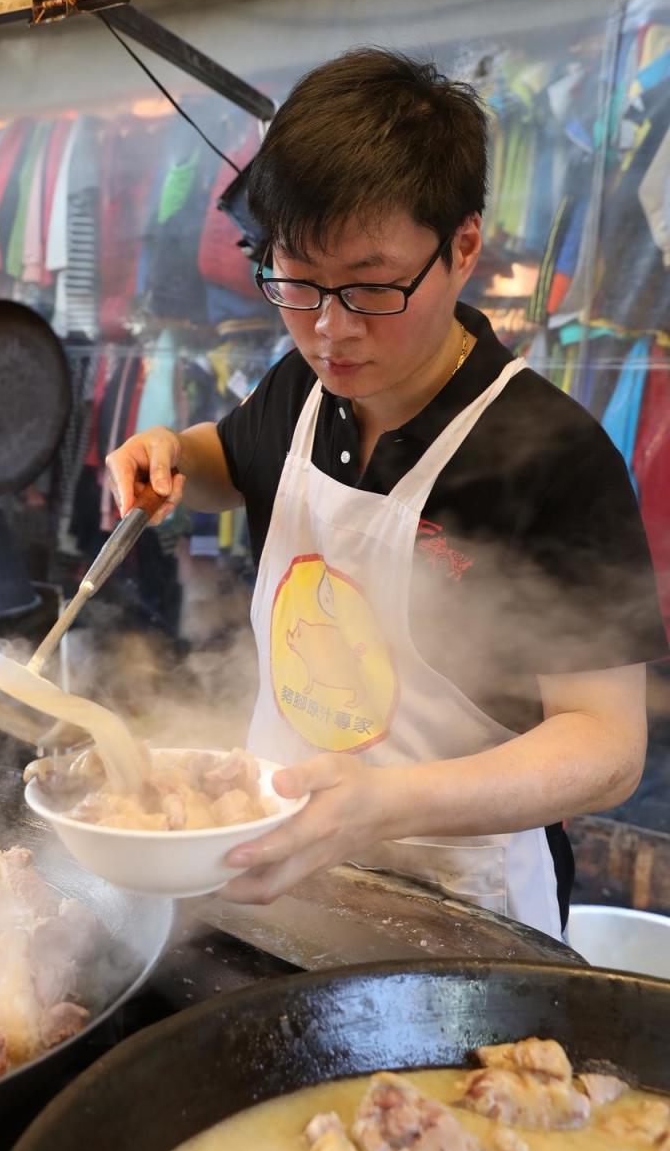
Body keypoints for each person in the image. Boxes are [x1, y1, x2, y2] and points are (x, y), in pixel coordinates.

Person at [107, 48, 667, 939]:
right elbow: (228, 460)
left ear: (463, 249)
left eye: (372, 285)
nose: (330, 329)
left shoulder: (551, 454)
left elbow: (605, 748)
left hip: (463, 909)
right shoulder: (302, 385)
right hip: (272, 873)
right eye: (296, 281)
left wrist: (383, 803)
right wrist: (169, 449)